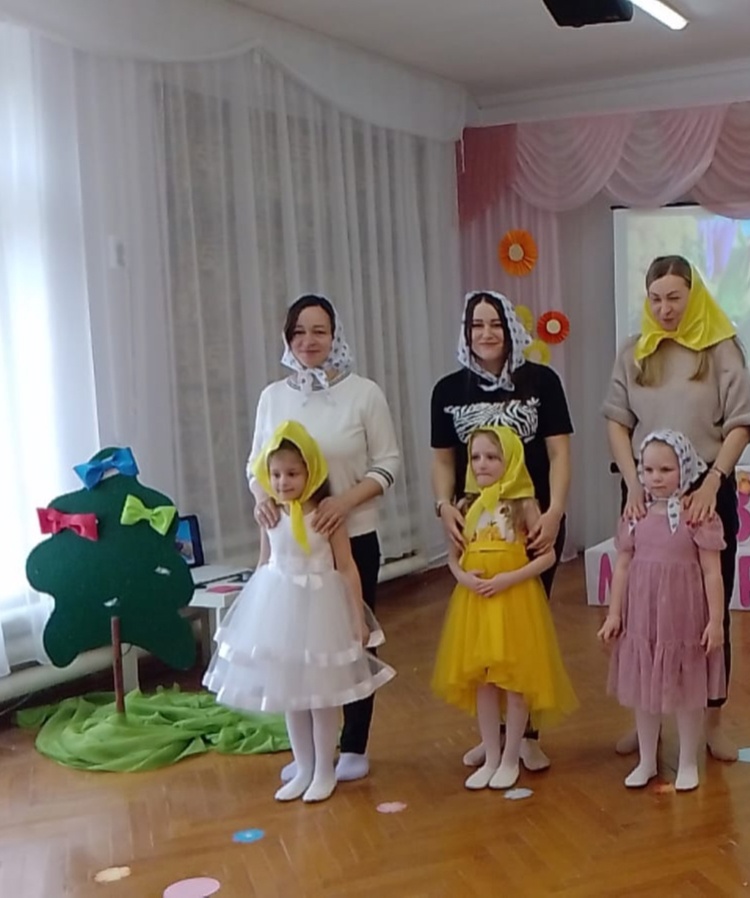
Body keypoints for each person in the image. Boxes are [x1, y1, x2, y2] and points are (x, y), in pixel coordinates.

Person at [603, 255, 750, 761]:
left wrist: (713, 483)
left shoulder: (720, 349)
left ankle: (711, 722)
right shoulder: (635, 351)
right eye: (656, 299)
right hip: (646, 491)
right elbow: (617, 421)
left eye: (674, 298)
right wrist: (633, 484)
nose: (665, 309)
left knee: (708, 608)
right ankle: (646, 719)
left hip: (704, 491)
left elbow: (741, 423)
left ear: (694, 296)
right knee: (642, 610)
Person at [250, 294, 401, 785]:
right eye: (298, 332)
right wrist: (263, 499)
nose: (308, 341)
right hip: (292, 548)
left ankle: (353, 742)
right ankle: (311, 756)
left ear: (335, 336)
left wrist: (343, 503)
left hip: (351, 534)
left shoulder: (363, 393)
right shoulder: (273, 397)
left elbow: (388, 463)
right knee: (299, 651)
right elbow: (256, 465)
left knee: (350, 642)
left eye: (319, 331)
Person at [206, 421, 394, 803]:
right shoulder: (271, 515)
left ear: (311, 473)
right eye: (276, 474)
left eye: (292, 473)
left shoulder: (326, 515)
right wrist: (253, 613)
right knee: (291, 694)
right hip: (280, 608)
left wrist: (357, 618)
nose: (282, 482)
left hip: (321, 610)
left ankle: (325, 769)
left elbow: (346, 567)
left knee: (321, 696)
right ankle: (303, 767)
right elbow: (264, 562)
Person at [430, 290, 573, 774]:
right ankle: (492, 739)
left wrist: (555, 512)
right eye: (477, 325)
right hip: (475, 526)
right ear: (466, 333)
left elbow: (559, 452)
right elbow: (442, 460)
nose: (486, 333)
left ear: (511, 328)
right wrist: (444, 507)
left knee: (524, 634)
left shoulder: (542, 381)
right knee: (482, 637)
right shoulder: (448, 390)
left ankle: (525, 737)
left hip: (531, 522)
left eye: (495, 323)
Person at [430, 426, 578, 791]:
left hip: (514, 604)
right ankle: (492, 757)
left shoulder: (524, 506)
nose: (482, 464)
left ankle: (511, 757)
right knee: (483, 682)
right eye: (476, 457)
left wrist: (509, 579)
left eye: (492, 457)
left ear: (510, 460)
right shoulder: (465, 507)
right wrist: (464, 578)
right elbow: (453, 558)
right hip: (476, 607)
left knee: (515, 683)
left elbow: (547, 557)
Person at [598, 430, 726, 792]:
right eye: (649, 469)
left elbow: (712, 572)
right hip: (643, 615)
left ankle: (687, 761)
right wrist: (614, 613)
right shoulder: (635, 515)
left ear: (685, 469)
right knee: (644, 690)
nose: (656, 478)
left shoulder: (697, 516)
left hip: (684, 616)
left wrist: (716, 620)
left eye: (666, 470)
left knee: (687, 690)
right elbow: (622, 566)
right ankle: (647, 760)